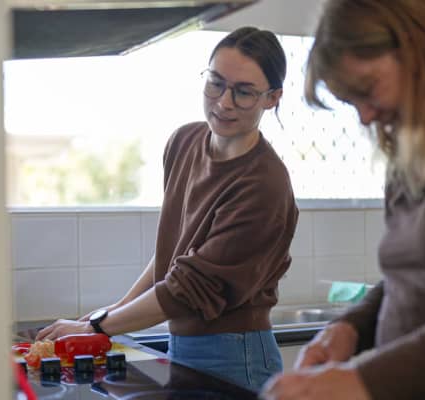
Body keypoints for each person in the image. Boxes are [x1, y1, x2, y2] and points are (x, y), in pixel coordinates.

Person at [261, 1, 425, 399]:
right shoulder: (416, 142)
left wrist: (362, 379)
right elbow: (413, 278)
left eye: (365, 91)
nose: (364, 117)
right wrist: (351, 326)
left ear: (417, 46)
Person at [36, 26, 299, 392]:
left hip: (237, 353)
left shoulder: (263, 184)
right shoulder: (184, 142)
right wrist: (105, 317)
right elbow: (172, 258)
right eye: (215, 83)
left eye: (243, 93)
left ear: (272, 98)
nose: (223, 102)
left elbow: (186, 288)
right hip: (183, 344)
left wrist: (97, 327)